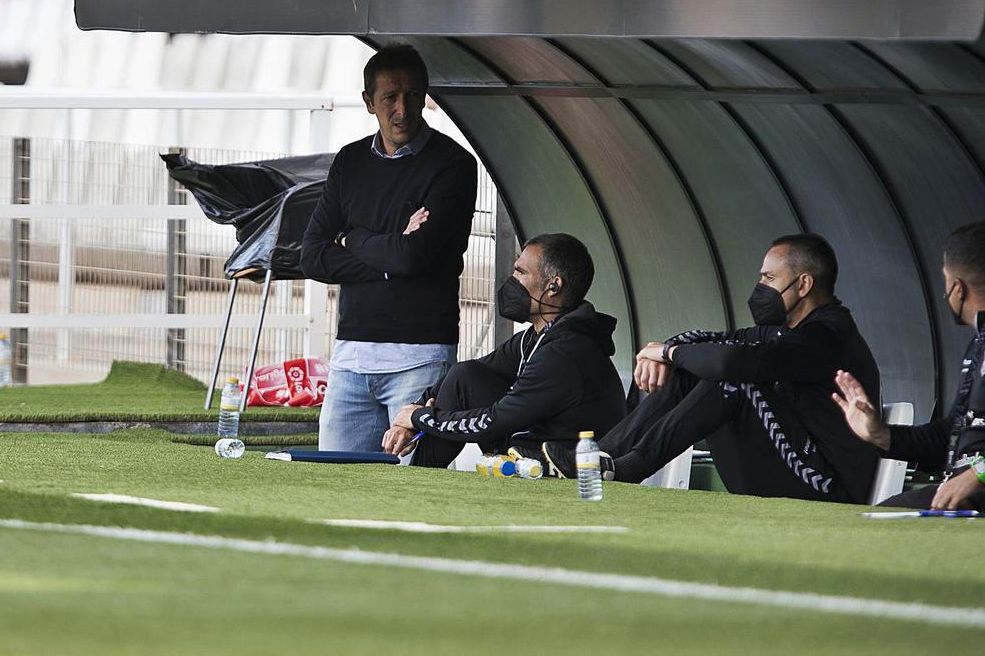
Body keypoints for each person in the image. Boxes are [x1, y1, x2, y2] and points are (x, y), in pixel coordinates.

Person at [543, 234, 880, 503]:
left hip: (828, 486)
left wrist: (671, 353)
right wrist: (659, 353)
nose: (760, 287)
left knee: (731, 380)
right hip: (792, 465)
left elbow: (730, 362)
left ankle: (626, 469)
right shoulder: (784, 329)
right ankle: (600, 459)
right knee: (696, 367)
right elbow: (715, 341)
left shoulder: (825, 335)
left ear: (803, 285)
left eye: (769, 278)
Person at [300, 44, 477, 452]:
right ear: (368, 103)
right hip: (349, 356)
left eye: (413, 95)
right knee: (334, 483)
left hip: (421, 357)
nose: (403, 108)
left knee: (410, 487)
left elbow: (413, 255)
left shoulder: (453, 165)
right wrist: (390, 256)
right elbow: (311, 254)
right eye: (390, 98)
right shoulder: (349, 162)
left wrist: (351, 238)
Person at [382, 233, 626, 468]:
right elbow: (461, 379)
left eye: (520, 272)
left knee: (463, 384)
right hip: (532, 446)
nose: (511, 280)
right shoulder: (533, 338)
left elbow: (494, 421)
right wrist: (411, 417)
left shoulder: (564, 352)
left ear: (553, 286)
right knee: (464, 375)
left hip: (565, 466)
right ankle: (421, 476)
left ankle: (420, 479)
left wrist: (420, 418)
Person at [834, 221, 985, 509]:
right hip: (958, 495)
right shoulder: (978, 345)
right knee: (874, 520)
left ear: (957, 288)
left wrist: (979, 473)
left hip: (975, 496)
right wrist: (881, 434)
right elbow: (948, 434)